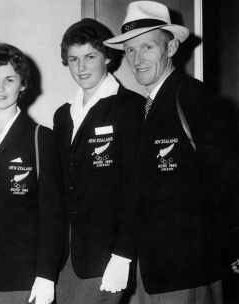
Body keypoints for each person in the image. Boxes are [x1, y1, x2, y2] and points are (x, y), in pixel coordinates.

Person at [104, 1, 223, 303]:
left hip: (186, 269)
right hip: (148, 271)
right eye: (129, 50)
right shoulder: (140, 108)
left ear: (170, 48)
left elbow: (227, 178)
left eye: (146, 47)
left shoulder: (193, 98)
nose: (136, 59)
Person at [53, 18, 144, 304]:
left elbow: (135, 187)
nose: (81, 67)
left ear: (107, 56)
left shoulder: (129, 107)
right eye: (73, 59)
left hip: (106, 252)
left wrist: (123, 255)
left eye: (90, 56)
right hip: (65, 253)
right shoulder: (63, 115)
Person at [0, 44, 64, 304]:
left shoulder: (40, 138)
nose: (0, 88)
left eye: (9, 80)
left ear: (22, 85)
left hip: (19, 276)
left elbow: (53, 215)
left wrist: (46, 276)